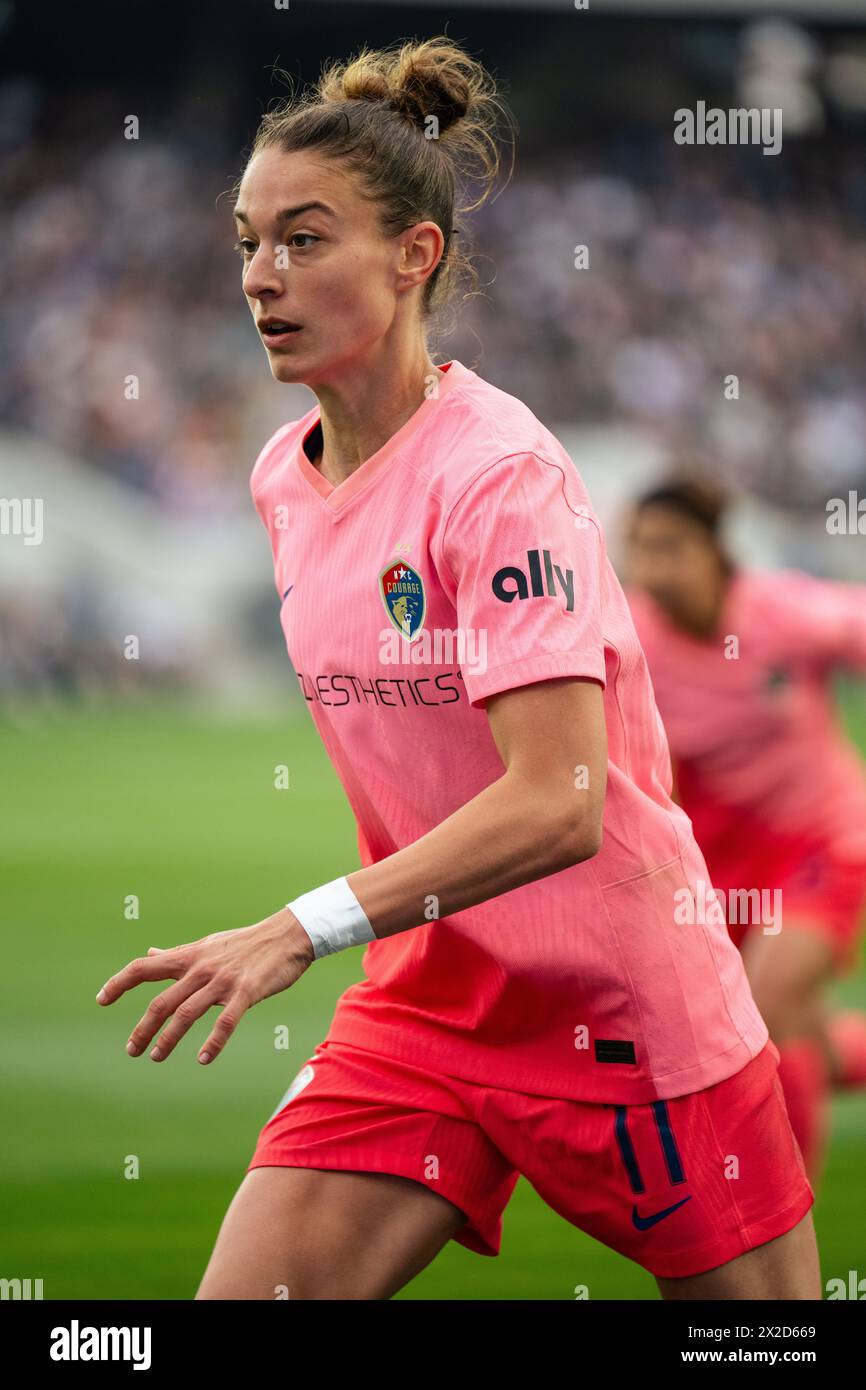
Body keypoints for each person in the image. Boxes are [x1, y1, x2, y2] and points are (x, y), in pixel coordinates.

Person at [97, 38, 818, 1300]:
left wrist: (295, 929)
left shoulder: (501, 477)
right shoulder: (280, 476)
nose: (261, 276)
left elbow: (559, 797)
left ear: (413, 255)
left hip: (623, 1013)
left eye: (305, 240)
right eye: (247, 240)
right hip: (426, 1007)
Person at [627, 477, 866, 1186]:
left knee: (772, 997)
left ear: (715, 552)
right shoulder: (631, 646)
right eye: (640, 550)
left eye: (670, 548)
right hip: (715, 874)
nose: (652, 569)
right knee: (749, 1036)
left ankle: (783, 1226)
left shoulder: (781, 613)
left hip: (822, 843)